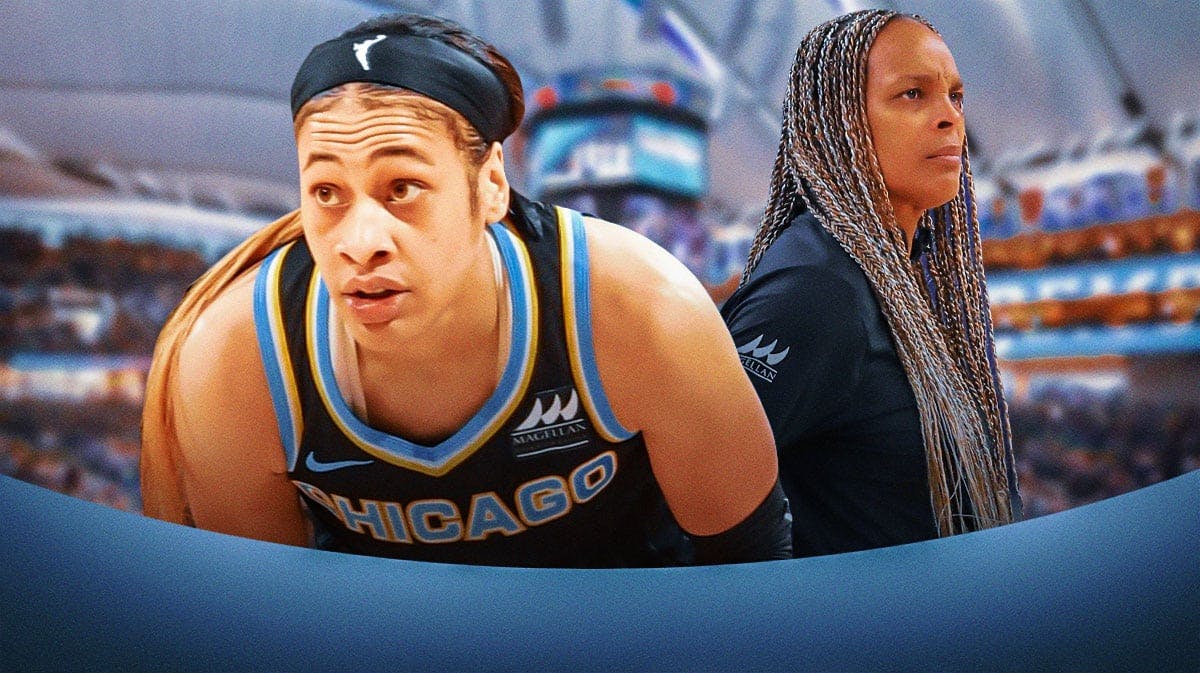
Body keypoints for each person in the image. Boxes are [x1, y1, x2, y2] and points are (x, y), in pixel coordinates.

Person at [140, 13, 791, 567]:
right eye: (327, 192)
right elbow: (266, 629)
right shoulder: (238, 359)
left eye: (403, 188)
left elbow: (754, 581)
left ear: (491, 185)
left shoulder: (644, 313)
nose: (360, 240)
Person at [721, 9, 1021, 557]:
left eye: (955, 96)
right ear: (838, 123)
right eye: (913, 94)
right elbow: (696, 498)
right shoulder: (815, 292)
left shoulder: (898, 266)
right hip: (868, 639)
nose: (950, 118)